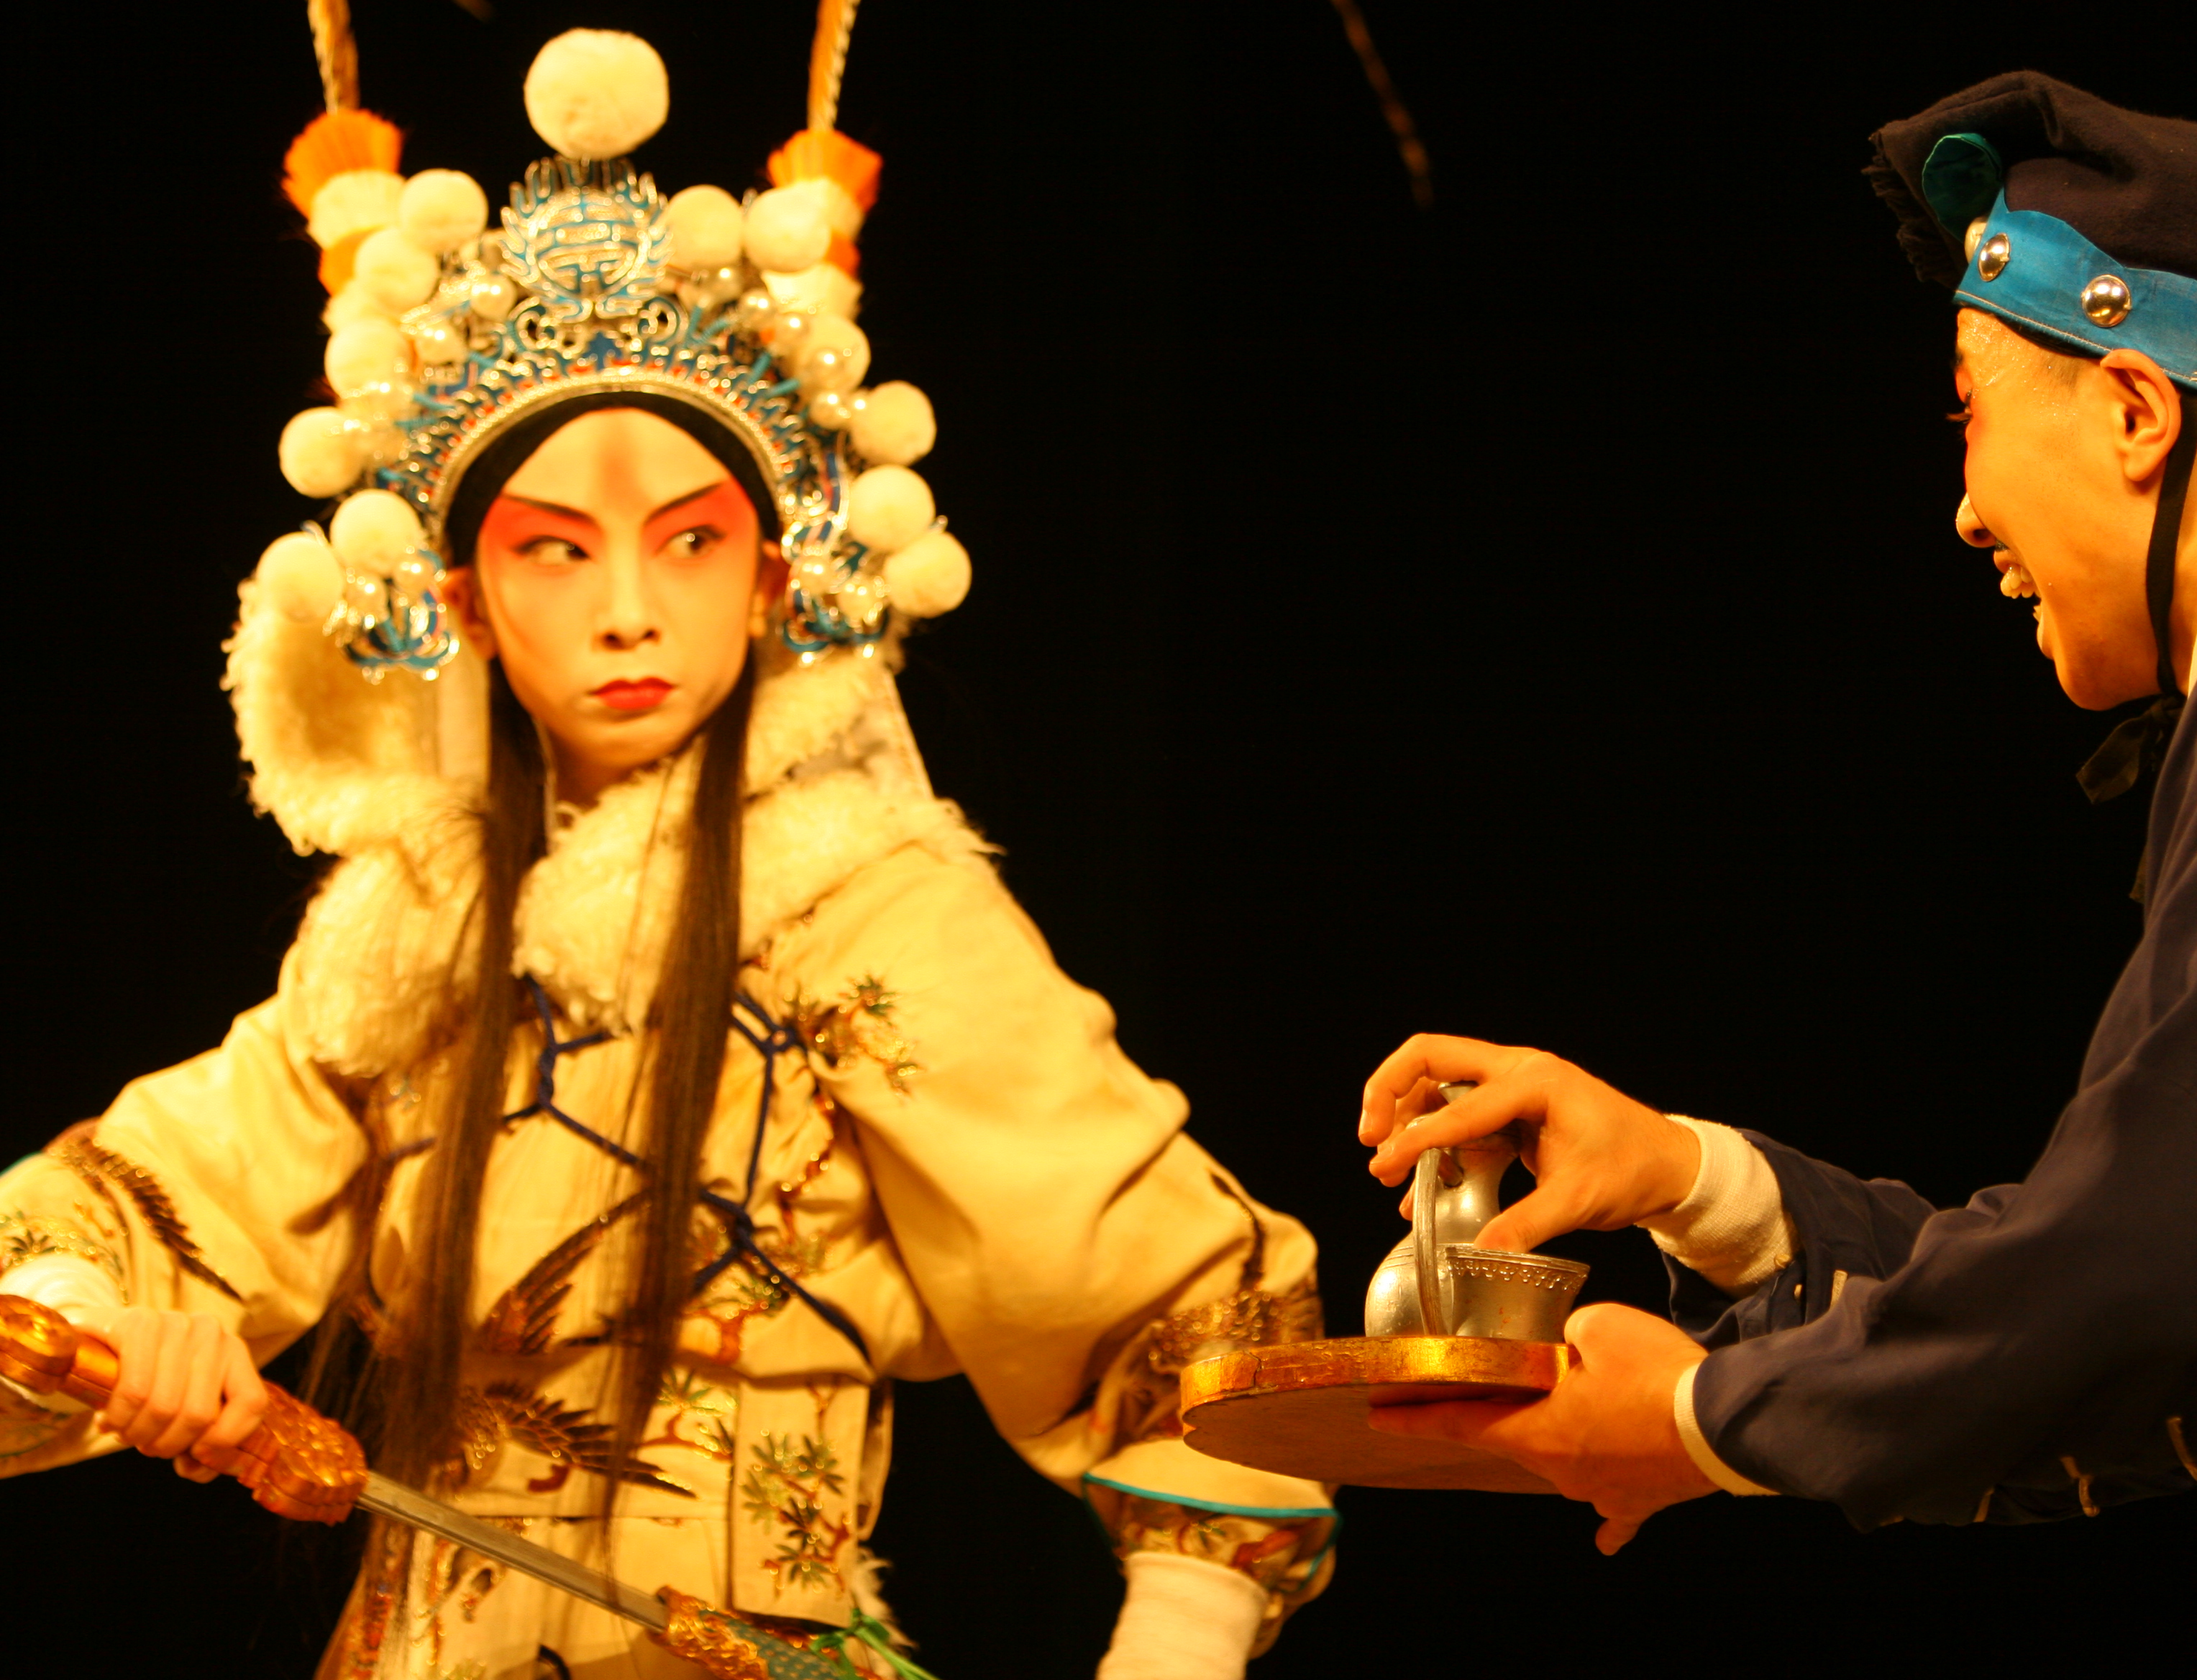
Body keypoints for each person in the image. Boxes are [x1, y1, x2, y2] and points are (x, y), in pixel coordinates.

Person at [0, 19, 1333, 1680]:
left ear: (774, 580)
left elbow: (1179, 1304)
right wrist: (120, 1322)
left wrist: (1178, 1647)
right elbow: (129, 1206)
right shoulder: (405, 944)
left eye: (689, 544)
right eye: (557, 553)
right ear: (469, 603)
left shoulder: (865, 903)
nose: (629, 609)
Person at [1353, 70, 2197, 1676]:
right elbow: (2119, 1250)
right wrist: (1698, 1181)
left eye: (1969, 415)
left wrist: (1699, 1418)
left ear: (2134, 410)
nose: (1964, 509)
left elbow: (2167, 1267)